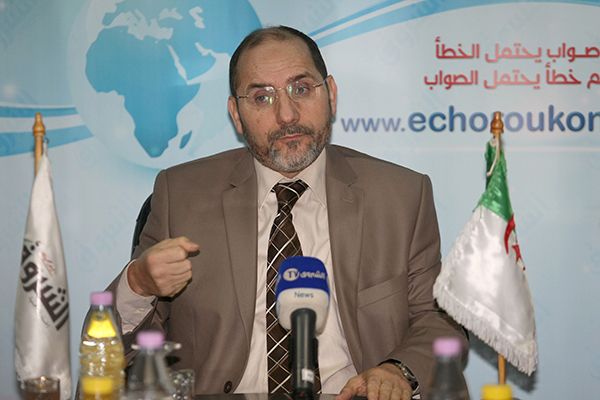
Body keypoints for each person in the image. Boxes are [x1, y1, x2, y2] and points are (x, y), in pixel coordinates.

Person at [108, 26, 467, 400]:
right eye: (262, 98)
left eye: (302, 89)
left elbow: (438, 319)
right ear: (236, 114)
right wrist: (138, 284)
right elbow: (110, 345)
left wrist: (398, 370)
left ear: (331, 94)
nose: (286, 114)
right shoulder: (181, 195)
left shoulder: (399, 195)